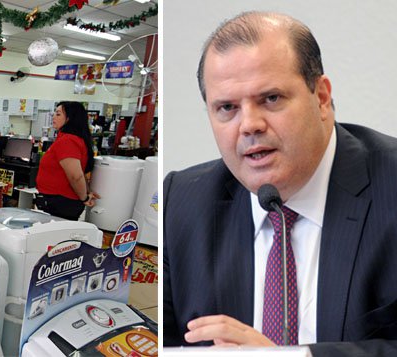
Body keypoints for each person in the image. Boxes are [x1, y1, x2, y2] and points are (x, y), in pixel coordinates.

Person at [163, 11, 397, 355]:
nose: (249, 125)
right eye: (227, 107)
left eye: (270, 99)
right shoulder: (182, 201)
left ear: (321, 97)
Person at [35, 101, 99, 220]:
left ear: (70, 118)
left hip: (61, 203)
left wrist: (84, 198)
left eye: (58, 114)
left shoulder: (68, 141)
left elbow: (76, 176)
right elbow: (80, 172)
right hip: (58, 201)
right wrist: (86, 192)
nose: (53, 116)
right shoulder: (68, 139)